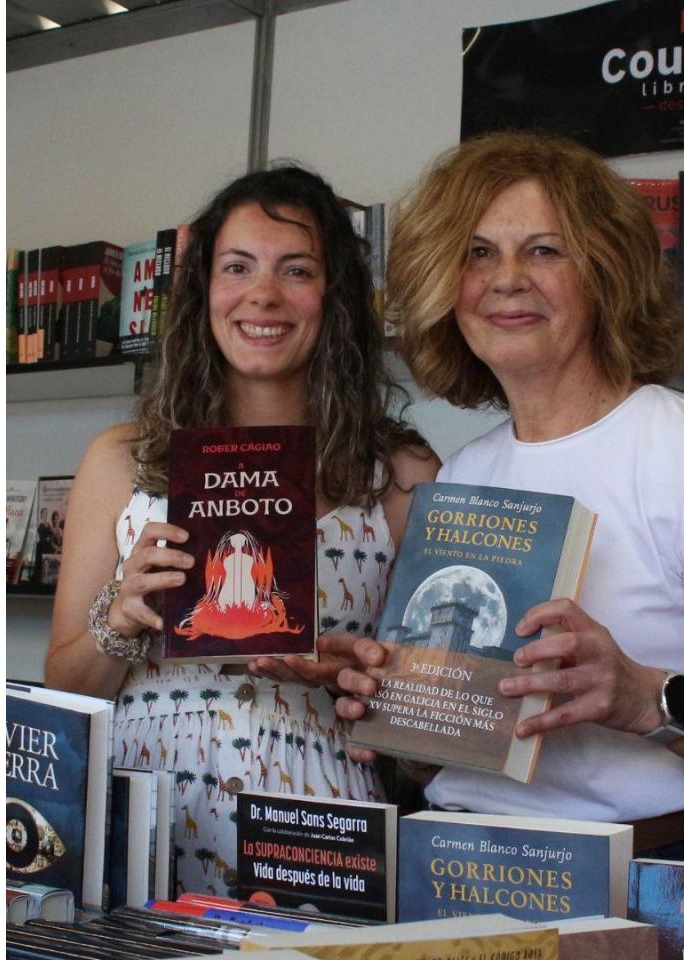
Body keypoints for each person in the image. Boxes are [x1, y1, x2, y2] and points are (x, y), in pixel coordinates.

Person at [332, 131, 684, 865]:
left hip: (651, 885)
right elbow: (439, 768)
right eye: (476, 252)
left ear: (605, 273)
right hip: (451, 873)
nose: (506, 280)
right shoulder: (462, 474)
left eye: (543, 250)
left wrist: (642, 698)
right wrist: (398, 712)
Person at [45, 166, 439, 895]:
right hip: (142, 823)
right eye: (237, 267)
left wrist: (367, 679)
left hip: (317, 831)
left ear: (336, 297)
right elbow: (66, 691)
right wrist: (122, 617)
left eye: (297, 270)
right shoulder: (121, 461)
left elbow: (434, 728)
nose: (263, 295)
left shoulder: (401, 473)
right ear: (204, 290)